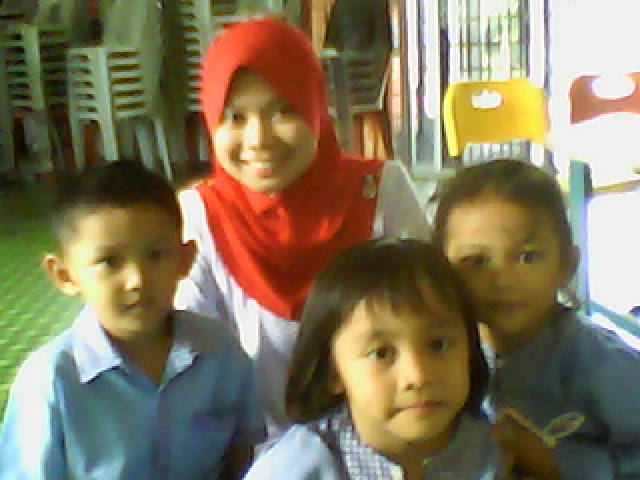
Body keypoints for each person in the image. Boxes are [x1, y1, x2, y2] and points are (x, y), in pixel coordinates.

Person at [175, 18, 431, 436]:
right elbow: (193, 360)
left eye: (284, 111)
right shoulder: (200, 217)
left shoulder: (381, 192)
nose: (258, 139)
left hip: (385, 439)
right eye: (235, 117)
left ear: (316, 108)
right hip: (253, 451)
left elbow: (430, 321)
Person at [0, 161, 265, 480]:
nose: (137, 280)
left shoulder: (220, 350)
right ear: (65, 275)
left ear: (185, 260)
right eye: (109, 261)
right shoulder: (51, 380)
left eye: (156, 255)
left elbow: (241, 450)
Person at [433, 158, 640, 479]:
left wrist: (559, 464)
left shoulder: (599, 363)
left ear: (567, 265)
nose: (502, 280)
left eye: (527, 257)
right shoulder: (438, 354)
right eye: (477, 261)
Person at [243, 239, 501, 479]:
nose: (418, 376)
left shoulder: (496, 448)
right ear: (333, 371)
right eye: (381, 353)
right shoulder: (296, 467)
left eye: (438, 345)